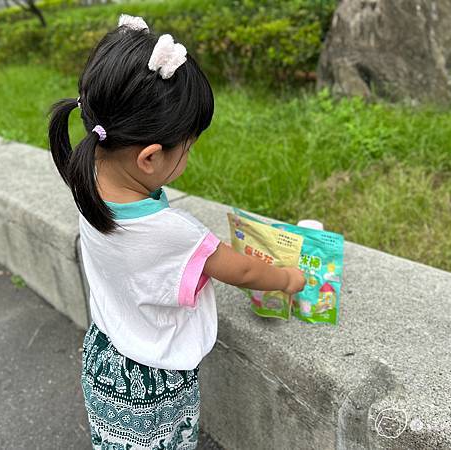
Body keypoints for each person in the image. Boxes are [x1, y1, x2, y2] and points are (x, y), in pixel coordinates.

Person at [47, 14, 306, 450]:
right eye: (187, 147)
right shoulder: (172, 233)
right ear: (149, 158)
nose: (188, 156)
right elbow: (240, 271)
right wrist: (287, 279)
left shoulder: (87, 176)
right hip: (151, 379)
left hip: (106, 357)